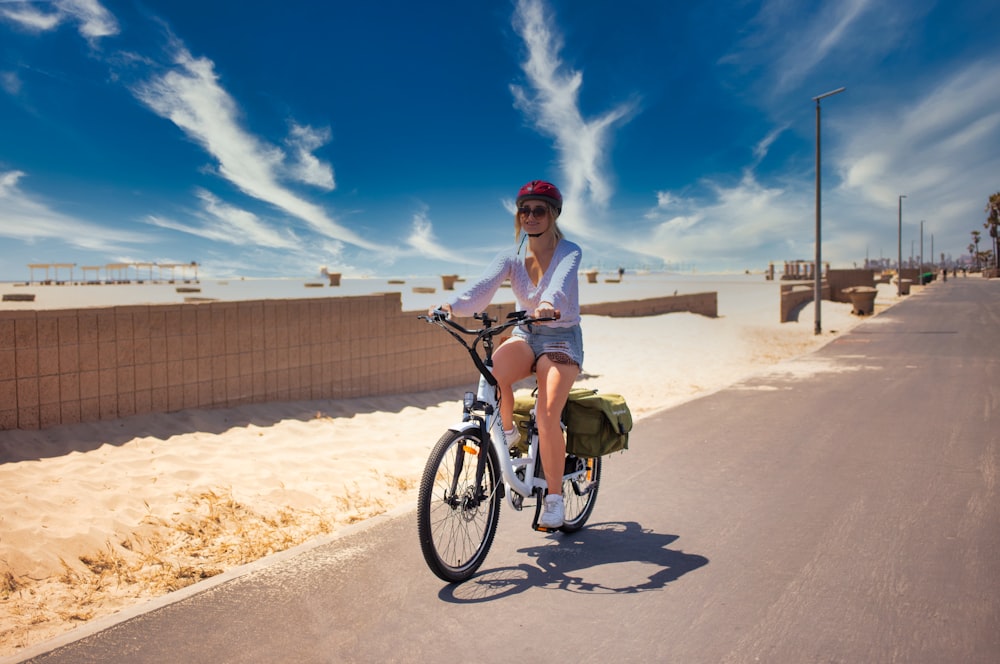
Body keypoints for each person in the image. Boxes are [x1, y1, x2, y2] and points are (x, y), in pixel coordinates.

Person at [430, 180, 583, 529]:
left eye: (538, 210)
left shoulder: (569, 251)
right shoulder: (511, 259)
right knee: (492, 374)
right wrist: (450, 306)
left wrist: (546, 304)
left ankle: (555, 499)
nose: (530, 216)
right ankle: (509, 432)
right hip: (526, 334)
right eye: (524, 210)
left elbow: (559, 285)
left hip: (560, 341)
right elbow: (480, 291)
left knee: (547, 414)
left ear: (553, 214)